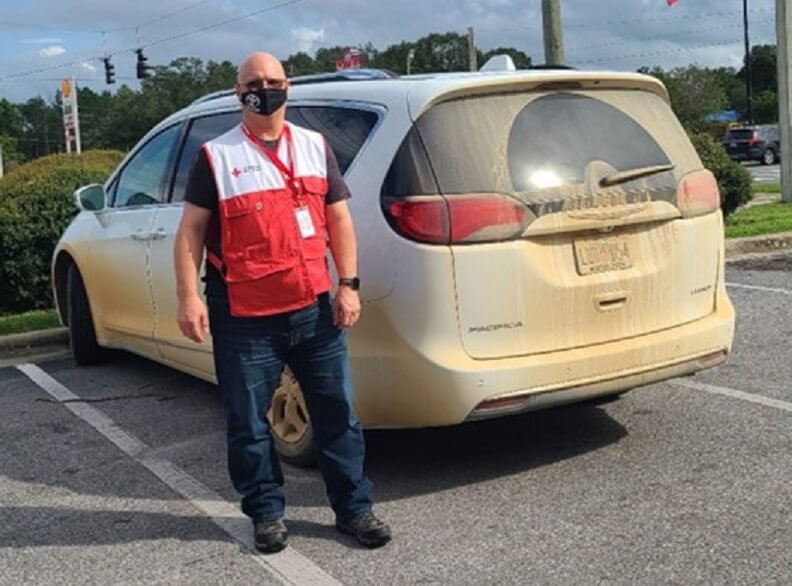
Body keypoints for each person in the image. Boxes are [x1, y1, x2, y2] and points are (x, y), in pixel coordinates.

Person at [173, 52, 391, 554]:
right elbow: (190, 234)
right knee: (249, 424)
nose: (264, 89)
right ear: (238, 91)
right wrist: (189, 297)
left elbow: (338, 221)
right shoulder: (217, 157)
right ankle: (266, 513)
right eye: (254, 82)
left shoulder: (316, 148)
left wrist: (348, 284)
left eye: (272, 81)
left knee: (337, 414)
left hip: (314, 308)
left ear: (288, 87)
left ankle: (354, 508)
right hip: (245, 317)